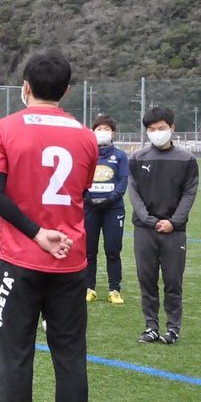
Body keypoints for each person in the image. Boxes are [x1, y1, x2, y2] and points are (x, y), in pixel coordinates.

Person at [0, 51, 97, 402]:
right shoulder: (86, 136)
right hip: (70, 262)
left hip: (19, 261)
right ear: (66, 90)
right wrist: (51, 232)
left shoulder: (5, 129)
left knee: (14, 356)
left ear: (24, 87)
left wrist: (33, 233)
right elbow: (80, 190)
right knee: (70, 356)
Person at [128, 107, 198, 345]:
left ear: (172, 128)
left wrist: (174, 222)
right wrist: (149, 220)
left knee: (172, 281)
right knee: (146, 280)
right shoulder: (138, 158)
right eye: (151, 129)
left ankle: (173, 328)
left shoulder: (187, 159)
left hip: (173, 232)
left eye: (161, 128)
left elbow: (189, 193)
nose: (156, 133)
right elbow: (134, 194)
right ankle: (151, 327)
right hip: (144, 229)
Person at [84, 115, 128, 305]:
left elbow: (123, 180)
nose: (102, 132)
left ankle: (114, 290)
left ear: (113, 133)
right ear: (92, 131)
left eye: (106, 129)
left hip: (113, 208)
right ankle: (89, 288)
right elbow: (79, 179)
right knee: (88, 251)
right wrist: (88, 198)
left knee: (112, 250)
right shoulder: (86, 154)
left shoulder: (120, 156)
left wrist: (111, 198)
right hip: (90, 208)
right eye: (99, 128)